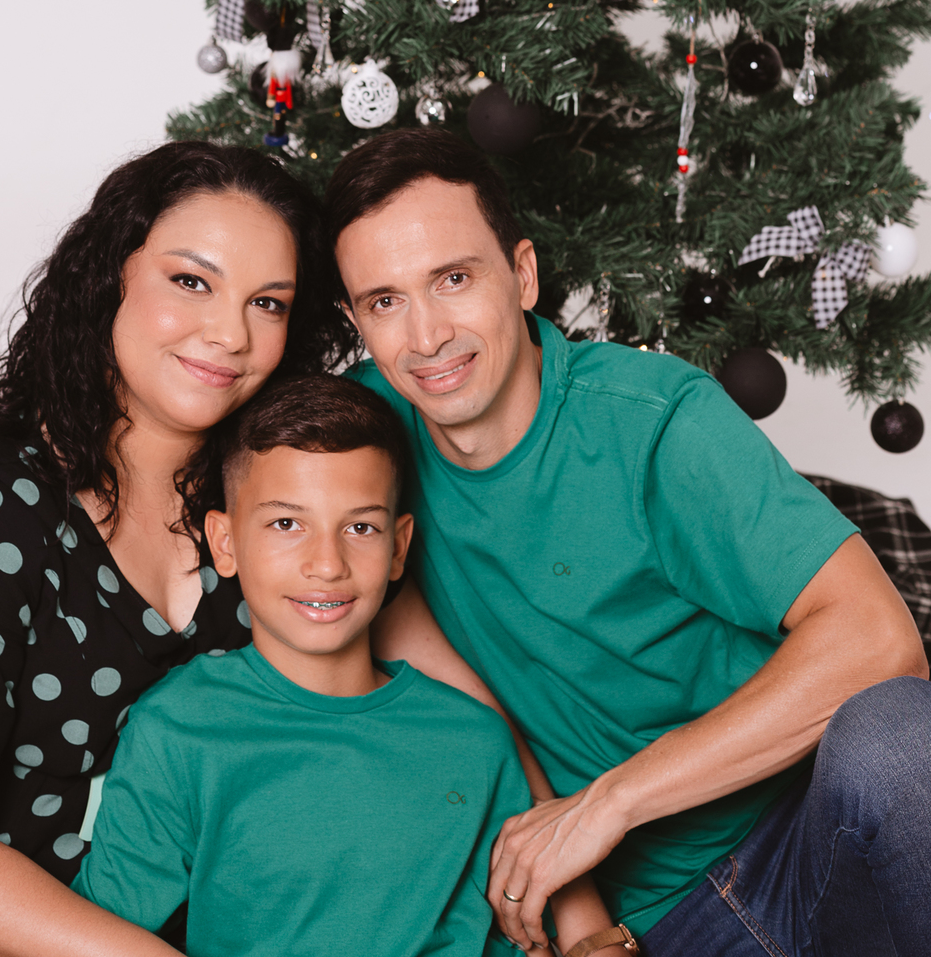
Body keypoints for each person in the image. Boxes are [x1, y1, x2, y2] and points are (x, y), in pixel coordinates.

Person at [327, 128, 931, 957]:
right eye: (385, 302)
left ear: (523, 275)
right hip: (657, 925)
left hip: (809, 840)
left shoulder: (653, 422)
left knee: (899, 736)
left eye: (454, 279)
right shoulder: (360, 438)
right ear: (357, 320)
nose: (426, 336)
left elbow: (881, 640)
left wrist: (609, 804)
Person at [0, 141, 353, 957]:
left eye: (267, 303)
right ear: (112, 276)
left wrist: (543, 834)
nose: (230, 334)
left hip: (157, 926)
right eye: (191, 282)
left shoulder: (275, 504)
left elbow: (420, 675)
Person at [73, 374, 628, 957]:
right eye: (287, 524)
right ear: (225, 542)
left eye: (360, 527)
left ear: (398, 547)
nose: (327, 564)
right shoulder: (179, 729)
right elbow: (96, 934)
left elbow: (540, 926)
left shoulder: (474, 739)